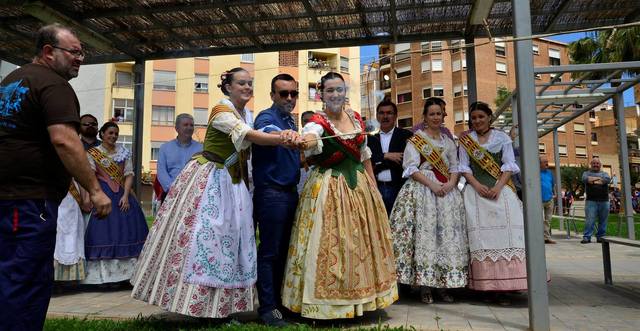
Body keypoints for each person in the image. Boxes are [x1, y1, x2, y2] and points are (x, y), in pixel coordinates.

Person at [130, 67, 300, 318]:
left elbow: (258, 134)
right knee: (205, 240)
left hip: (234, 184)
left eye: (250, 83)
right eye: (241, 83)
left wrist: (280, 135)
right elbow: (249, 135)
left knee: (231, 244)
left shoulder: (248, 114)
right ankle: (192, 303)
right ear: (228, 87)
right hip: (211, 180)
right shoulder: (221, 111)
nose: (247, 87)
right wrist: (281, 138)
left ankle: (222, 306)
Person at [0, 23, 111, 331]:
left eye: (82, 53)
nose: (80, 59)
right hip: (29, 200)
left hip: (9, 198)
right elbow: (64, 139)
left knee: (8, 277)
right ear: (49, 52)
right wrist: (95, 189)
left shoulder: (11, 80)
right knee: (27, 281)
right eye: (74, 52)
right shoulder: (54, 85)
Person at [282, 72, 398, 319]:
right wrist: (304, 141)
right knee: (333, 242)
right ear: (321, 94)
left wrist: (374, 188)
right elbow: (311, 137)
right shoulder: (317, 121)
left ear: (345, 92)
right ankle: (329, 305)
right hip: (329, 188)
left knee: (360, 243)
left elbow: (364, 154)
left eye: (339, 89)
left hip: (360, 187)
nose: (335, 94)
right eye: (330, 90)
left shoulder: (355, 117)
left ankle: (362, 302)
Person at [389, 98, 468, 304]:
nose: (435, 117)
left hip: (447, 194)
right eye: (431, 114)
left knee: (445, 239)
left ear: (443, 116)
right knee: (425, 238)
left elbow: (454, 166)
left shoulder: (448, 141)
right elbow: (411, 168)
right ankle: (424, 287)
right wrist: (432, 185)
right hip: (422, 190)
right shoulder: (416, 140)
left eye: (439, 114)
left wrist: (451, 183)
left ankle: (443, 285)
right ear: (424, 117)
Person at [458, 101, 526, 304]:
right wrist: (477, 185)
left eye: (481, 116)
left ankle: (507, 286)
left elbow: (508, 166)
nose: (477, 121)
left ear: (490, 118)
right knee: (480, 239)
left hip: (500, 192)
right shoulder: (466, 140)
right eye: (474, 118)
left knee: (507, 237)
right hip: (475, 193)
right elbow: (464, 167)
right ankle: (485, 287)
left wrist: (498, 187)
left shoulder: (502, 138)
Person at [251, 73, 301, 326]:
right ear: (273, 95)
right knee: (270, 252)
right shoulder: (267, 116)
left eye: (294, 93)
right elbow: (267, 131)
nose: (290, 98)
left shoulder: (292, 121)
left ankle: (280, 304)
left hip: (290, 193)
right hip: (271, 194)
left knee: (283, 252)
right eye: (284, 93)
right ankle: (268, 308)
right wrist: (284, 135)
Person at [82, 122, 149, 285]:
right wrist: (95, 195)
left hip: (121, 193)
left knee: (128, 230)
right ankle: (103, 277)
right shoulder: (93, 153)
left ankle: (128, 276)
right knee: (103, 232)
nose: (113, 136)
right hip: (102, 192)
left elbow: (129, 175)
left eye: (116, 134)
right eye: (110, 133)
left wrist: (126, 196)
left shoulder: (124, 152)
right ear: (102, 134)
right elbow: (90, 175)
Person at [368, 100, 413, 215]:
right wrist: (386, 156)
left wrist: (378, 160)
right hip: (376, 189)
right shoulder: (371, 139)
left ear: (396, 116)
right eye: (381, 113)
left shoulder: (405, 135)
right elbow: (366, 161)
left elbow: (404, 161)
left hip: (398, 188)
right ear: (377, 116)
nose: (385, 116)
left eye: (389, 113)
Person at [157, 113, 203, 201]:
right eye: (185, 125)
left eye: (191, 125)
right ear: (176, 128)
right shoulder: (165, 148)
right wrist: (173, 189)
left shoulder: (201, 149)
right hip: (170, 195)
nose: (189, 128)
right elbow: (161, 172)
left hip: (193, 195)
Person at [581, 157, 610, 244]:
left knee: (603, 220)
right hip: (591, 201)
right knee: (590, 220)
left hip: (604, 201)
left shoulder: (605, 174)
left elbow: (607, 180)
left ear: (600, 165)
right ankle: (587, 237)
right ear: (591, 164)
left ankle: (601, 237)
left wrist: (592, 180)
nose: (595, 165)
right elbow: (585, 179)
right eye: (594, 163)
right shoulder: (586, 173)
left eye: (597, 163)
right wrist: (599, 180)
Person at [539, 156, 557, 244]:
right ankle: (538, 237)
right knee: (539, 219)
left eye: (547, 161)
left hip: (549, 199)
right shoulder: (536, 172)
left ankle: (546, 237)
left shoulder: (550, 173)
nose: (547, 163)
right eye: (544, 162)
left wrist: (555, 193)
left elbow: (553, 185)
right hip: (539, 200)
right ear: (539, 164)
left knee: (548, 220)